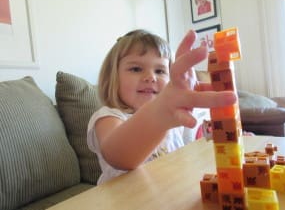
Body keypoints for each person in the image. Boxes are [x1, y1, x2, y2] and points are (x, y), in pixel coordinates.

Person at [87, 29, 236, 184]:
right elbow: (118, 155)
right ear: (113, 77)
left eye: (159, 71)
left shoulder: (173, 118)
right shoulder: (108, 117)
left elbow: (196, 139)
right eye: (136, 69)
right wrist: (160, 112)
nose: (151, 77)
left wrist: (226, 132)